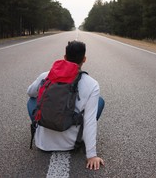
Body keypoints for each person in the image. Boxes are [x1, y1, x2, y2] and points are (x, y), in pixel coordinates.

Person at [27, 40, 105, 170]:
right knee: (99, 101)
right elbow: (90, 120)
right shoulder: (92, 84)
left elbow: (30, 92)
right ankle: (81, 136)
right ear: (84, 59)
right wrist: (91, 155)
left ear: (64, 57)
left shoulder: (47, 75)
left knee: (32, 100)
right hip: (72, 143)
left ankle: (44, 127)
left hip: (43, 144)